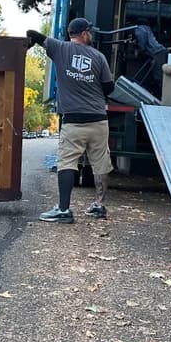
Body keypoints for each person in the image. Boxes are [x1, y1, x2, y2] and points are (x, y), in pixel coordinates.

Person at [27, 17, 115, 223]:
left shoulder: (60, 49)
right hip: (99, 120)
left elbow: (33, 33)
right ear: (83, 34)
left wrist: (27, 46)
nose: (91, 35)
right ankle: (99, 206)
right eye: (89, 32)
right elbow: (109, 88)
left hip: (74, 121)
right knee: (100, 164)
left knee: (67, 162)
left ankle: (64, 210)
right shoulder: (99, 56)